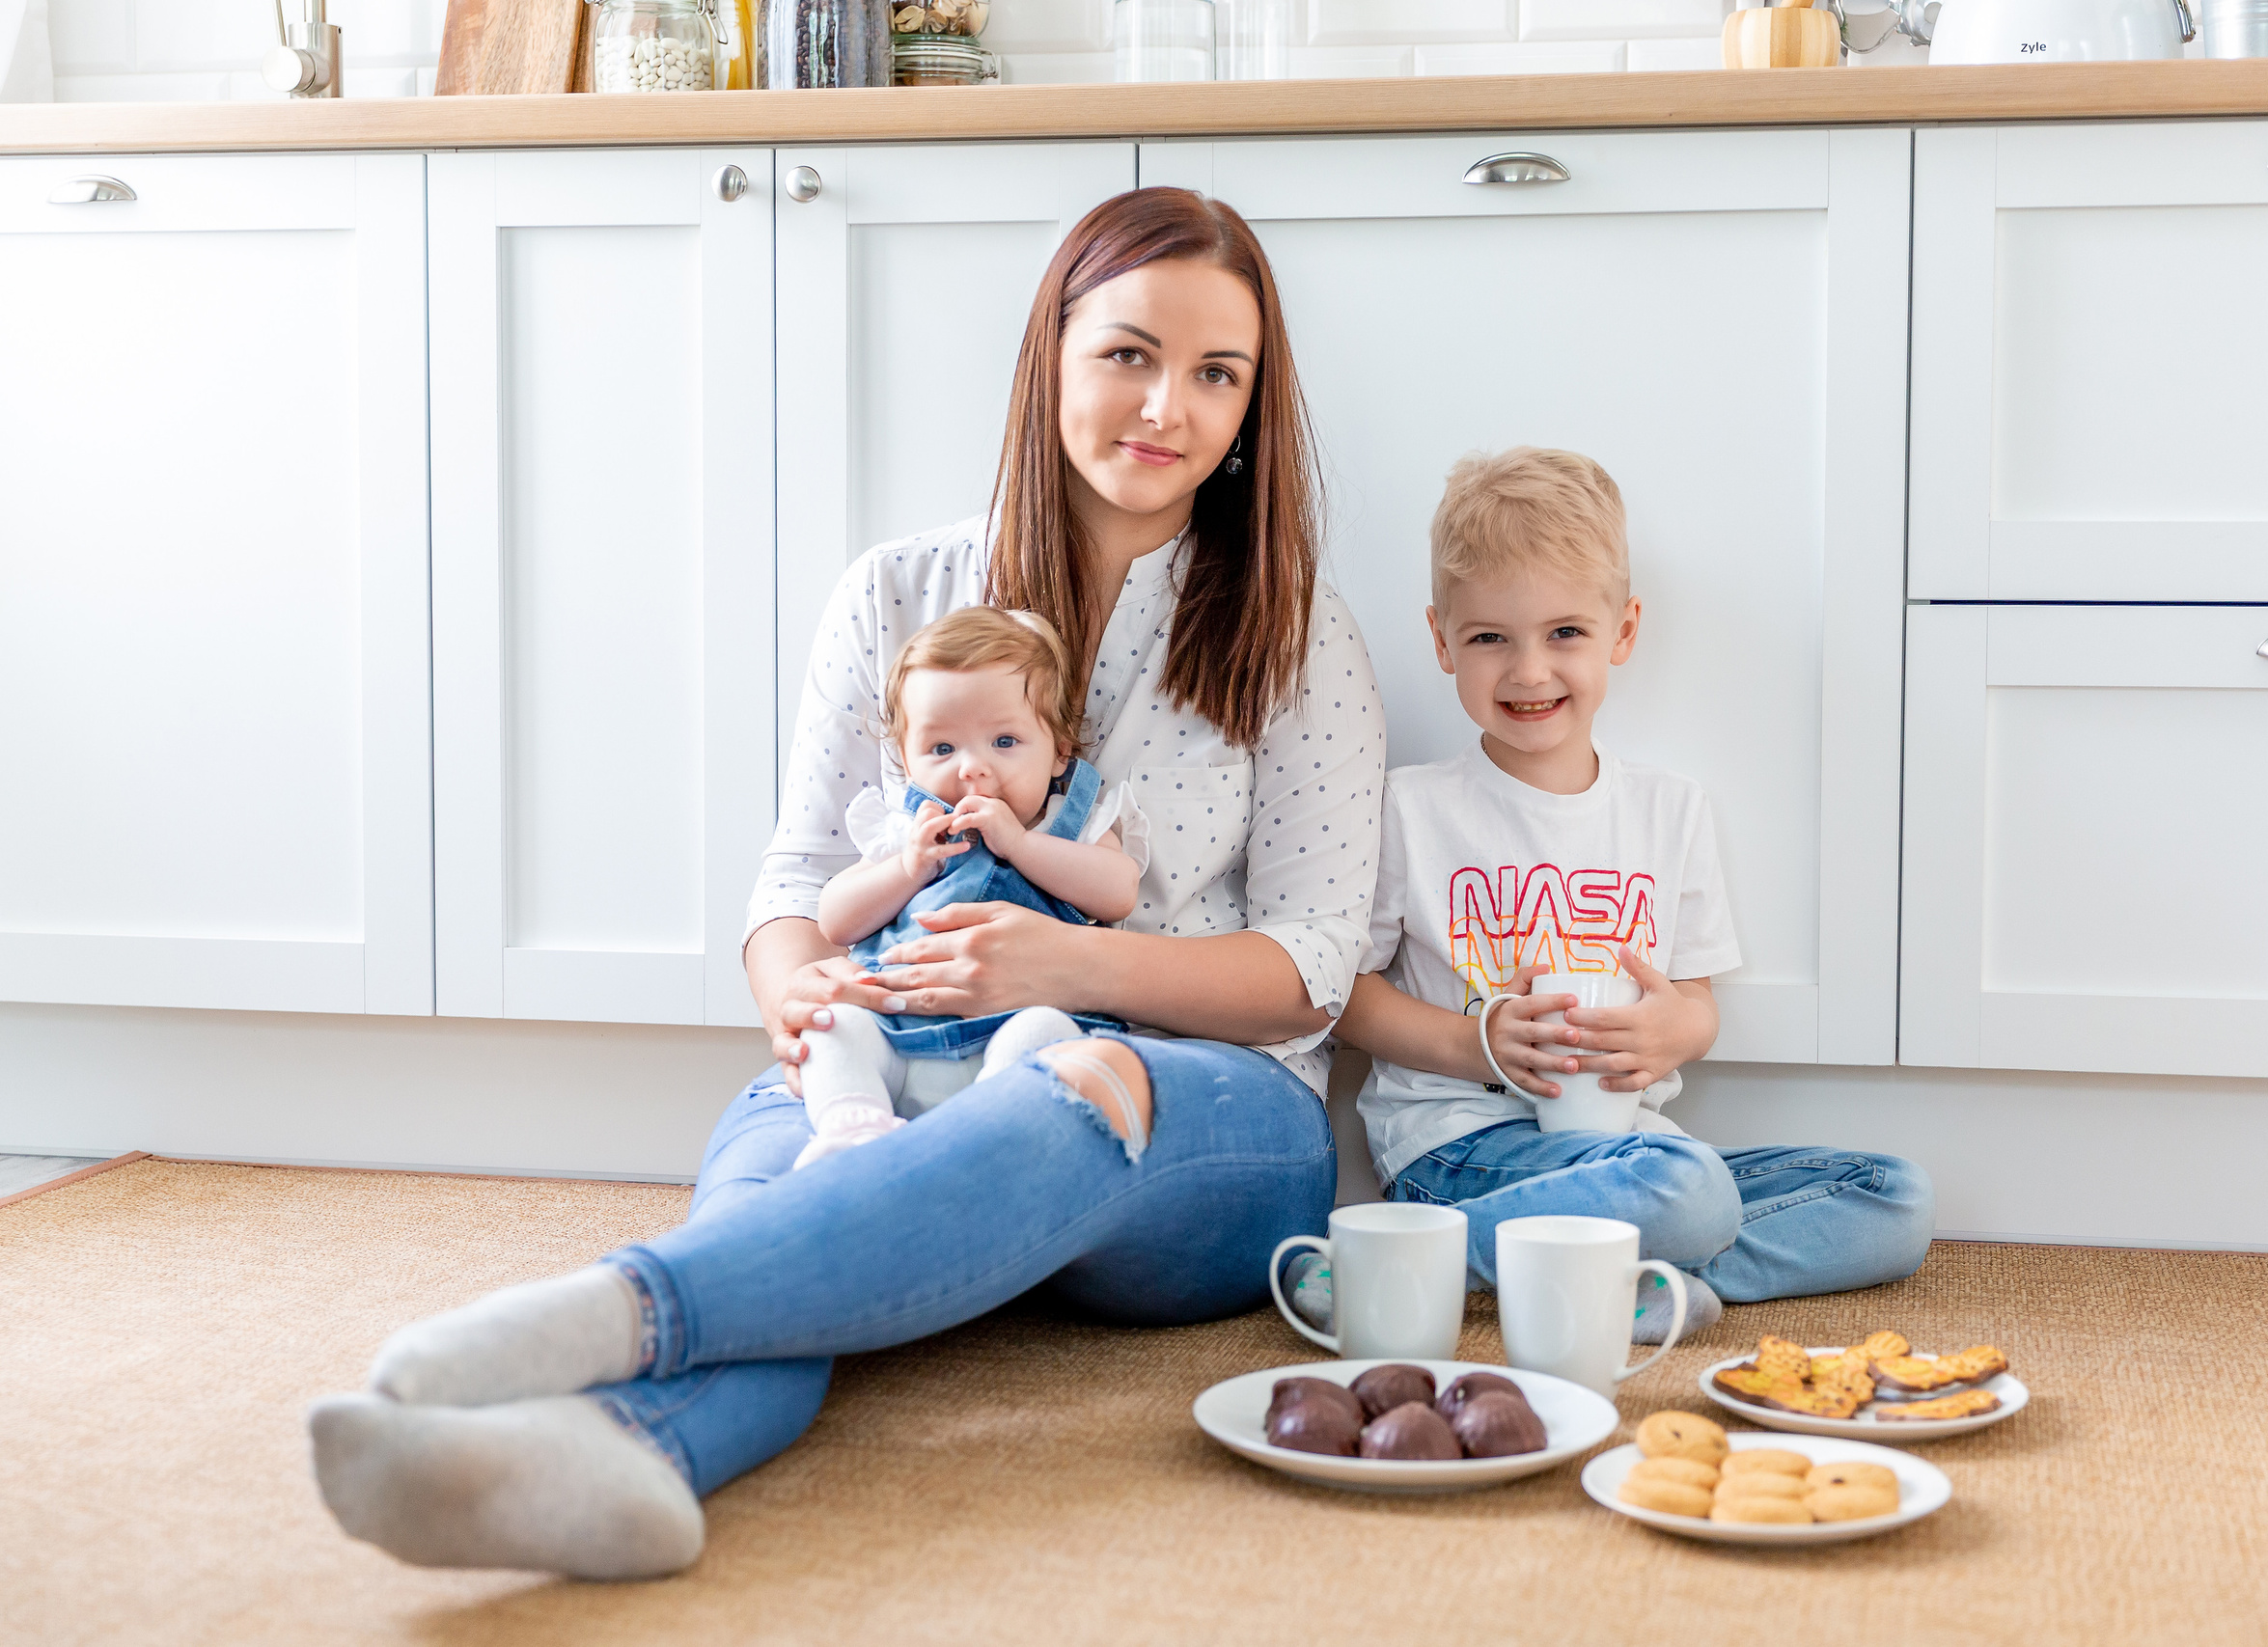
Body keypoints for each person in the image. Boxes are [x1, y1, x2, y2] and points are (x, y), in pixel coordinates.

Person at [304, 187, 1383, 1581]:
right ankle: (626, 1456)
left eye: (1217, 373)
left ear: (1251, 405)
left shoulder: (1296, 631)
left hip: (1202, 1110)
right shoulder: (896, 589)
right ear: (1050, 356)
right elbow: (797, 877)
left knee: (1072, 1082)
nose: (1167, 406)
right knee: (788, 1172)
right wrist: (807, 998)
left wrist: (1069, 969)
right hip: (905, 1049)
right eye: (1128, 353)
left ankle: (611, 1313)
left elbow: (1310, 966)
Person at [1316, 447, 1932, 1347]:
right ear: (1442, 640)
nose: (1530, 671)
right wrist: (1478, 1041)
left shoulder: (1668, 810)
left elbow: (1696, 1003)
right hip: (1460, 1148)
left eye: (1565, 632)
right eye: (1490, 638)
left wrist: (1672, 1032)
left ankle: (1632, 1275)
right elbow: (1341, 996)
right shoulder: (1411, 808)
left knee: (1895, 1197)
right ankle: (1406, 1262)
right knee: (1688, 1190)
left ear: (1624, 630)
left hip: (1628, 1149)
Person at [794, 606, 1145, 1167]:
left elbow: (1118, 891)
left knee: (1049, 1032)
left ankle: (991, 1138)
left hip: (1011, 1040)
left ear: (1059, 749)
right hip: (898, 1035)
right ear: (906, 761)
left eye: (1004, 741)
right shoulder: (906, 832)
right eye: (942, 749)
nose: (971, 769)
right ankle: (854, 1126)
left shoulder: (1068, 824)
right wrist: (909, 868)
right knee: (832, 1028)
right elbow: (835, 918)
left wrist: (1022, 846)